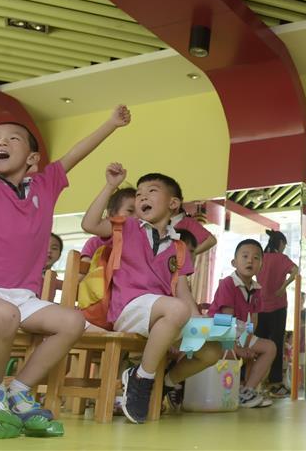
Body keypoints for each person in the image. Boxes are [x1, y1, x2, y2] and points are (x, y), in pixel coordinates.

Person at [0, 51, 130, 430]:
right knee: (4, 316)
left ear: (33, 159)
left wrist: (111, 123)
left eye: (11, 139)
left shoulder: (45, 185)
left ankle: (20, 390)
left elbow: (74, 155)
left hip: (18, 295)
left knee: (71, 321)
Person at [82, 164, 223, 424]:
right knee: (176, 309)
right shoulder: (126, 227)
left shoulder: (180, 247)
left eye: (152, 191)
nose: (142, 196)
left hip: (164, 315)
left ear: (174, 204)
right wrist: (110, 186)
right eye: (139, 194)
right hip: (128, 309)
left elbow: (183, 292)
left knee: (212, 351)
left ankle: (166, 383)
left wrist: (202, 327)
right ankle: (141, 379)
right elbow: (89, 224)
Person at [209, 239, 276, 408]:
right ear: (234, 262)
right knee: (231, 352)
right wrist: (236, 348)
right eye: (245, 256)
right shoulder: (228, 284)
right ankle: (235, 391)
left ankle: (247, 391)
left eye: (256, 258)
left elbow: (253, 321)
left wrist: (246, 342)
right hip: (220, 331)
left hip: (240, 332)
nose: (250, 261)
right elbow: (225, 320)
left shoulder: (256, 289)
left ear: (261, 264)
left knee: (270, 347)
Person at [255, 229, 298, 397]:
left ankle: (256, 381)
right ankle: (275, 383)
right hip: (278, 306)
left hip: (260, 306)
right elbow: (296, 270)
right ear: (280, 244)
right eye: (284, 245)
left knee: (258, 344)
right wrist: (283, 287)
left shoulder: (261, 258)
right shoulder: (282, 259)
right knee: (277, 344)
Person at [79, 187, 135, 268]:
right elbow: (83, 270)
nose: (137, 217)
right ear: (111, 214)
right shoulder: (94, 243)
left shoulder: (140, 238)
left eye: (141, 211)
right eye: (130, 211)